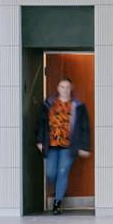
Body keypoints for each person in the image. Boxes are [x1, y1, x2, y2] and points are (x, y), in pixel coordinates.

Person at [36, 77, 90, 214]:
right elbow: (41, 124)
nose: (65, 90)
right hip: (51, 144)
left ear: (71, 89)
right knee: (50, 173)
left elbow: (85, 127)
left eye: (67, 87)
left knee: (62, 171)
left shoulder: (78, 106)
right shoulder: (49, 104)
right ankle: (59, 189)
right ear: (58, 88)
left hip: (69, 146)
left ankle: (57, 203)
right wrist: (39, 141)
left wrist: (85, 147)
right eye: (62, 87)